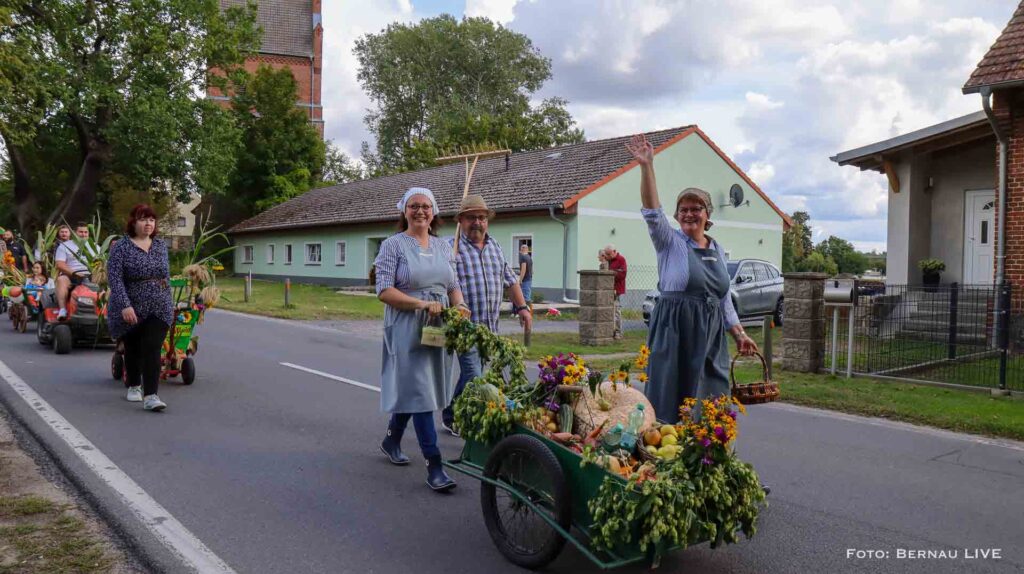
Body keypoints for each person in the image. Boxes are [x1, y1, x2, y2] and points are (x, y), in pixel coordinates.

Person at [625, 134, 758, 423]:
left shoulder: (718, 249)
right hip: (675, 329)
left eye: (696, 208)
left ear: (707, 214)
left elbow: (724, 300)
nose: (689, 214)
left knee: (711, 394)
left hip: (710, 334)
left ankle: (705, 452)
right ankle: (662, 454)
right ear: (676, 215)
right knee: (670, 395)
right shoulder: (669, 242)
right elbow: (652, 212)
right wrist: (647, 167)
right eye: (683, 209)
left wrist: (740, 334)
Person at [375, 187, 470, 492]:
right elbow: (384, 290)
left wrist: (461, 306)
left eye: (426, 206)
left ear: (434, 211)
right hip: (407, 324)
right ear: (404, 211)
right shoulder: (393, 245)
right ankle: (434, 465)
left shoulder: (444, 247)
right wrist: (420, 304)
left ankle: (392, 439)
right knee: (421, 391)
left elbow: (452, 284)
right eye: (414, 206)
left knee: (421, 386)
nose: (420, 211)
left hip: (438, 324)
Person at [441, 195, 532, 437]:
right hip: (465, 329)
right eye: (471, 217)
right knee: (476, 378)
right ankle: (473, 424)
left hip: (490, 328)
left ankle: (450, 414)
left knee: (474, 375)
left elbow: (510, 280)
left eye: (482, 217)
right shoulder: (450, 249)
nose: (477, 222)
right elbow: (445, 285)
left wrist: (523, 307)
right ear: (460, 220)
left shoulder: (495, 247)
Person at [106, 205, 174, 412]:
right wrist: (125, 305)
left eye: (152, 220)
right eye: (143, 219)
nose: (148, 224)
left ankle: (151, 395)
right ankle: (134, 384)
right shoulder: (121, 247)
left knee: (152, 347)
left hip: (159, 305)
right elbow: (115, 279)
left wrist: (169, 300)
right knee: (133, 347)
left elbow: (166, 275)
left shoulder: (160, 245)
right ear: (133, 222)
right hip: (131, 305)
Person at [54, 223, 95, 320]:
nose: (83, 234)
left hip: (91, 276)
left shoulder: (94, 247)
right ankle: (62, 310)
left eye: (85, 232)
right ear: (74, 233)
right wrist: (74, 273)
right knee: (61, 279)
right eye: (80, 232)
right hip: (72, 275)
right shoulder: (64, 246)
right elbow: (59, 264)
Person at [604, 244, 627, 340]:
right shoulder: (607, 261)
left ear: (614, 251)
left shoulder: (621, 260)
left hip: (616, 290)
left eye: (609, 254)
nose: (607, 256)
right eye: (606, 254)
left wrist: (611, 274)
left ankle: (618, 332)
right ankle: (609, 331)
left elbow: (622, 274)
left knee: (616, 311)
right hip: (606, 289)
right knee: (607, 312)